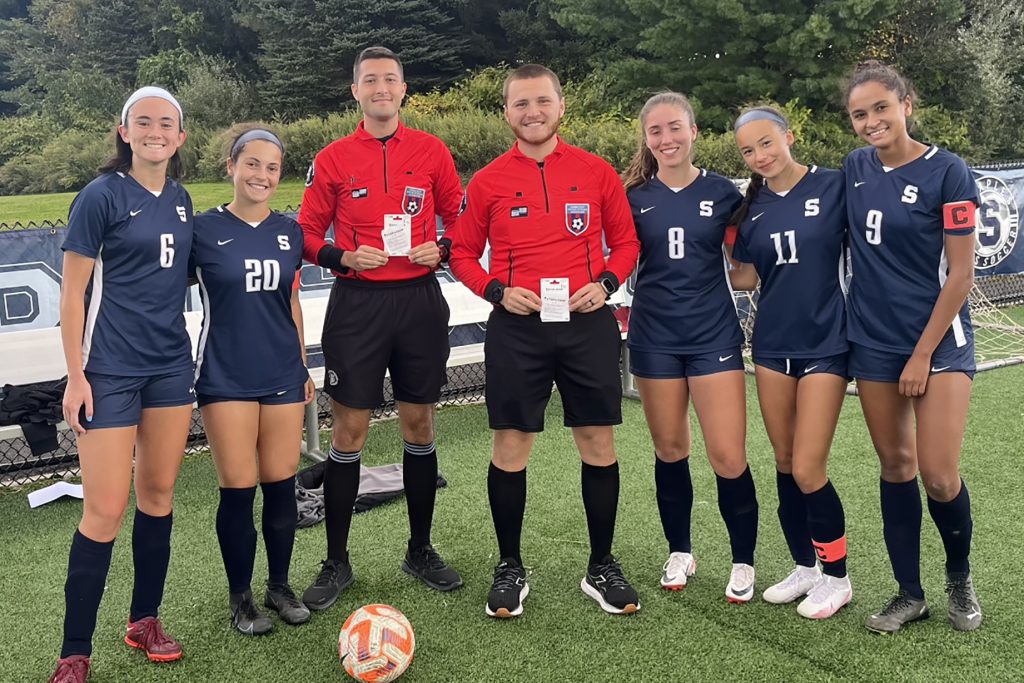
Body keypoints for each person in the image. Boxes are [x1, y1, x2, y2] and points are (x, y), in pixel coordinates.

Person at [450, 64, 641, 618]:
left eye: (542, 101)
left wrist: (605, 284)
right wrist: (495, 290)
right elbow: (461, 252)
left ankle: (601, 565)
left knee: (598, 445)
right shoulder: (486, 181)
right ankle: (510, 566)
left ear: (561, 106)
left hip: (587, 326)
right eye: (520, 103)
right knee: (510, 448)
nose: (532, 112)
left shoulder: (596, 170)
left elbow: (625, 242)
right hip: (518, 330)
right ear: (506, 112)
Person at [298, 46, 465, 610]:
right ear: (356, 92)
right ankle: (336, 561)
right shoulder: (334, 157)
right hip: (358, 305)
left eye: (390, 79)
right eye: (370, 80)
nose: (381, 88)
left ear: (403, 88)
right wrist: (342, 257)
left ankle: (420, 549)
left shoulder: (432, 150)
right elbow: (305, 232)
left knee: (419, 422)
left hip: (419, 300)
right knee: (350, 432)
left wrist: (439, 248)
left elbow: (462, 223)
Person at [50, 87, 194, 683]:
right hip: (108, 371)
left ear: (181, 137)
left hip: (170, 369)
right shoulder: (100, 196)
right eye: (144, 122)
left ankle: (144, 621)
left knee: (157, 498)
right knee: (104, 510)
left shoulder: (184, 200)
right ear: (124, 131)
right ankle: (74, 652)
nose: (155, 131)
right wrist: (76, 375)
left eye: (167, 123)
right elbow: (72, 293)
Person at [842, 61, 981, 633]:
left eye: (881, 107)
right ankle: (908, 593)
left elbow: (963, 274)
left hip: (938, 344)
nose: (872, 121)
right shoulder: (854, 167)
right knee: (896, 465)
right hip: (872, 340)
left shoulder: (948, 171)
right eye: (859, 114)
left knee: (939, 474)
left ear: (906, 104)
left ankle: (959, 577)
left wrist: (922, 353)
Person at [621, 92, 758, 603]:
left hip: (712, 336)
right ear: (647, 139)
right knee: (670, 449)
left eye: (675, 128)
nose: (666, 139)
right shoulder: (632, 196)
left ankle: (743, 560)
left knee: (727, 454)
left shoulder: (725, 194)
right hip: (654, 337)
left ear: (694, 131)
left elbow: (744, 269)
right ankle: (681, 549)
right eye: (655, 131)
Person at [728, 106, 852, 619]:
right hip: (772, 344)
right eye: (748, 151)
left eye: (766, 143)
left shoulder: (836, 186)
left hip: (826, 343)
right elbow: (747, 280)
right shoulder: (750, 209)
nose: (759, 156)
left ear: (790, 137)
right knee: (783, 462)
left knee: (807, 466)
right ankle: (805, 567)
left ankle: (838, 577)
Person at [191, 125, 315, 635]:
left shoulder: (290, 232)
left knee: (281, 487)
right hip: (225, 376)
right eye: (252, 164)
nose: (262, 175)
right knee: (238, 490)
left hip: (283, 373)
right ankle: (241, 597)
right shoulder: (201, 230)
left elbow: (290, 301)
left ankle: (280, 586)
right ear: (231, 167)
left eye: (272, 167)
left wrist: (303, 364)